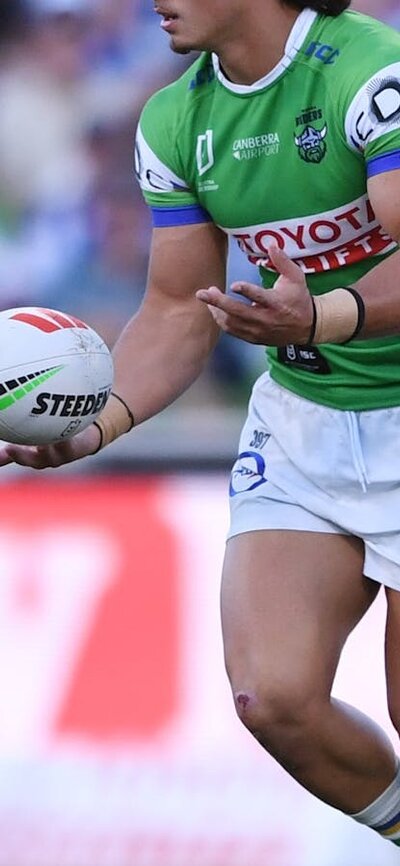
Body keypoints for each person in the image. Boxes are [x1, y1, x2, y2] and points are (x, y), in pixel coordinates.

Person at [2, 0, 400, 847]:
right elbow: (179, 306)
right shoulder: (173, 120)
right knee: (273, 698)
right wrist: (95, 426)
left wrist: (323, 316)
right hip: (306, 417)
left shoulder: (372, 71)